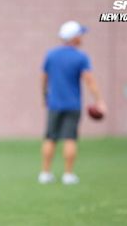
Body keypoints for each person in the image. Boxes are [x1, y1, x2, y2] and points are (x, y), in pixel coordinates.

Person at [38, 21, 107, 185]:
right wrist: (99, 101)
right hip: (72, 105)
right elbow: (89, 80)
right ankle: (68, 175)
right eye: (80, 34)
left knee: (50, 138)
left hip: (54, 103)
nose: (82, 37)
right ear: (74, 37)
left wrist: (44, 96)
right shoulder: (81, 57)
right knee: (70, 138)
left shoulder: (51, 55)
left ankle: (45, 173)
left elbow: (44, 78)